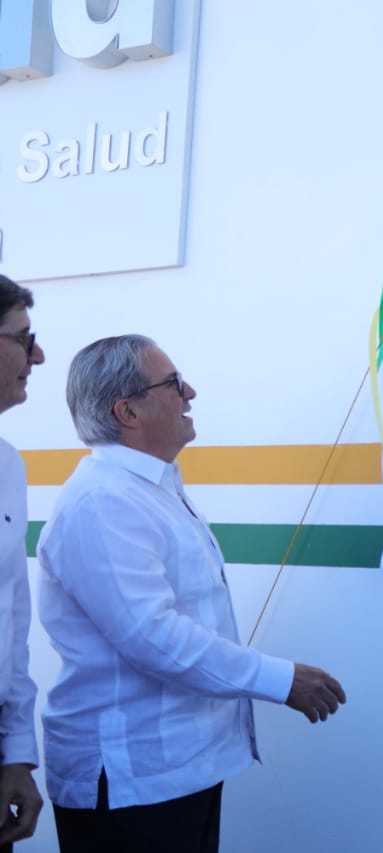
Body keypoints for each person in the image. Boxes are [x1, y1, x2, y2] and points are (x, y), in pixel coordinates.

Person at [37, 335, 347, 853]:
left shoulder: (148, 488)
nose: (191, 393)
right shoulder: (103, 501)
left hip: (177, 769)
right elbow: (155, 639)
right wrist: (280, 679)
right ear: (128, 411)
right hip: (134, 780)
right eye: (174, 383)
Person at [0, 276, 44, 851]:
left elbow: (11, 619)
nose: (38, 355)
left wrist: (15, 752)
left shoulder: (9, 466)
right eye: (24, 337)